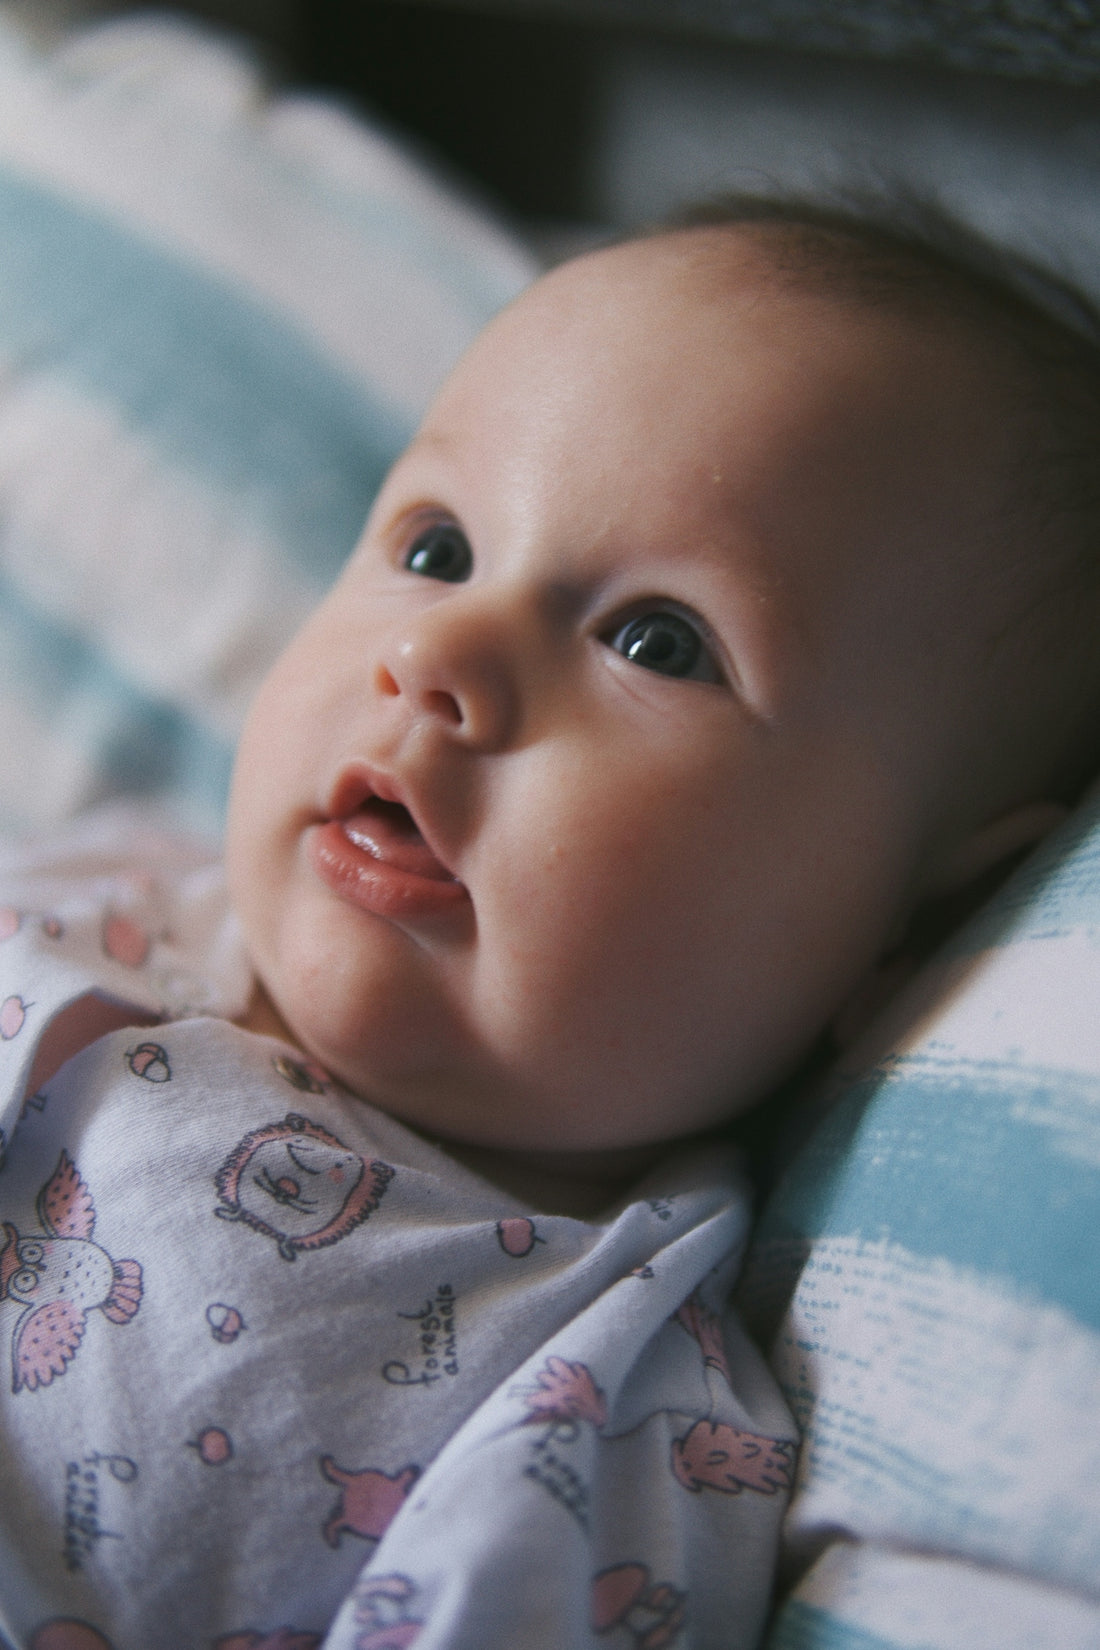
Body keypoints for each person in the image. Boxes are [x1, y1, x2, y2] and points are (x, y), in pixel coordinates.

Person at [1, 197, 1098, 1650]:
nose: (436, 652)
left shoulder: (608, 1403)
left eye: (655, 639)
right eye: (437, 546)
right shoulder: (91, 896)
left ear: (918, 921)